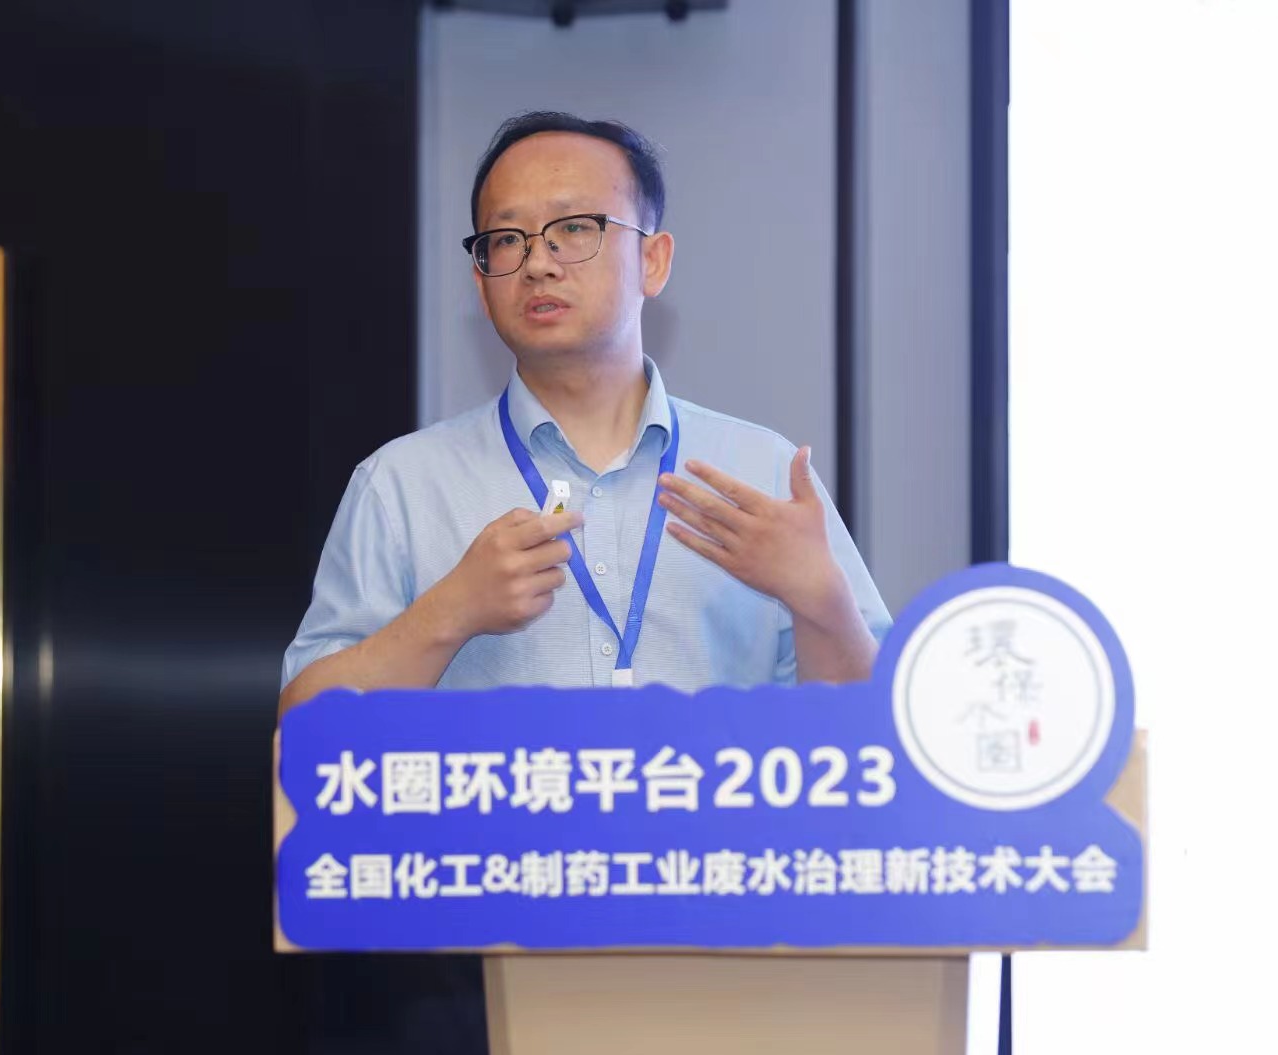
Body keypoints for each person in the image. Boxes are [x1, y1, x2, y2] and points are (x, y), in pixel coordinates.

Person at [279, 111, 890, 713]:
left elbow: (880, 734)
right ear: (481, 283)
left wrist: (824, 603)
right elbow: (302, 723)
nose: (537, 263)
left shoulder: (762, 472)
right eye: (507, 239)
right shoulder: (401, 486)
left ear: (653, 261)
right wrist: (449, 613)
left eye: (573, 228)